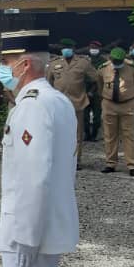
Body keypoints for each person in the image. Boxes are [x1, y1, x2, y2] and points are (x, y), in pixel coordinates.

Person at [0, 28, 79, 267]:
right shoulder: (57, 101)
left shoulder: (32, 105)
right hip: (47, 223)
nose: (3, 70)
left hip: (28, 232)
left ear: (25, 64)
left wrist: (26, 236)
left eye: (6, 62)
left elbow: (34, 176)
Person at [45, 38, 99, 170]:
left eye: (67, 48)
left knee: (76, 134)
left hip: (77, 103)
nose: (65, 50)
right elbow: (48, 82)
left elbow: (96, 78)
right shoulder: (54, 63)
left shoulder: (83, 63)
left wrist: (91, 92)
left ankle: (76, 160)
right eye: (63, 48)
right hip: (58, 104)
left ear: (73, 49)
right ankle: (59, 159)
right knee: (57, 133)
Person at [98, 47, 134, 176]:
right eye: (114, 61)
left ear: (124, 59)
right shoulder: (103, 68)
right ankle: (110, 163)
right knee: (109, 135)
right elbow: (99, 85)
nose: (117, 63)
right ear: (110, 58)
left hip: (128, 105)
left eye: (119, 61)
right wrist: (107, 97)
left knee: (129, 135)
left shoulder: (133, 68)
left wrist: (129, 96)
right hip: (109, 104)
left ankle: (131, 165)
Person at [85, 40, 108, 141]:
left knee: (97, 115)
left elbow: (102, 78)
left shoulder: (104, 62)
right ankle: (87, 134)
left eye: (95, 47)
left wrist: (93, 90)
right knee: (84, 115)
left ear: (99, 49)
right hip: (84, 91)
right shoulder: (84, 61)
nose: (92, 49)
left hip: (97, 92)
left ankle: (94, 134)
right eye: (91, 47)